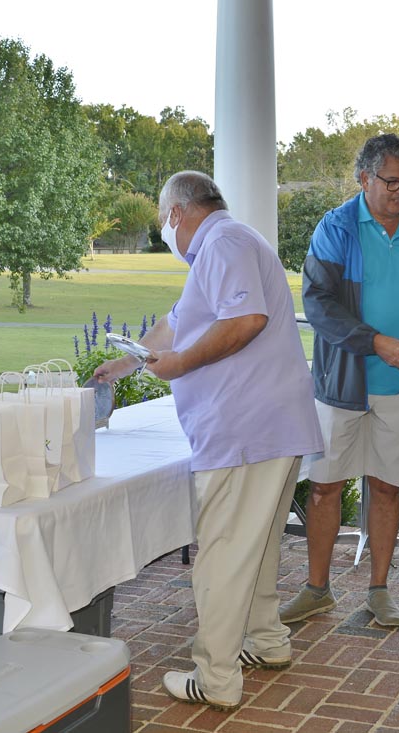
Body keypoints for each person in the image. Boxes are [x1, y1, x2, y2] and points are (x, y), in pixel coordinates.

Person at [94, 171, 323, 710]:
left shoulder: (223, 242)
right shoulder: (225, 246)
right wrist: (127, 362)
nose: (163, 230)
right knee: (257, 543)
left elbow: (245, 320)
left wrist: (178, 365)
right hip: (270, 424)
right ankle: (266, 640)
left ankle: (216, 676)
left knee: (221, 551)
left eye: (161, 219)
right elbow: (175, 324)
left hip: (244, 426)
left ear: (176, 212)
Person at [281, 133, 399, 628]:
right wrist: (375, 342)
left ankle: (379, 590)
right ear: (364, 178)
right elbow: (318, 303)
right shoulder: (336, 227)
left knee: (386, 488)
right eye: (391, 181)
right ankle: (317, 589)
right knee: (324, 488)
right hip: (342, 384)